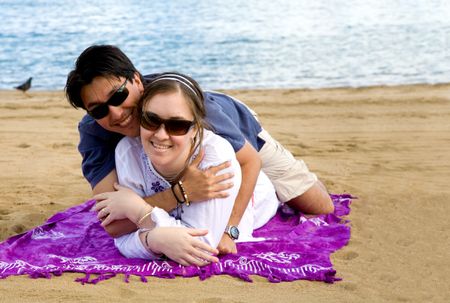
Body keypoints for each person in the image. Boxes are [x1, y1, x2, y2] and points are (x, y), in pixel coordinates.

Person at [65, 45, 333, 261]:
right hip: (169, 155)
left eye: (118, 96)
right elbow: (113, 225)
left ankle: (270, 190)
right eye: (98, 109)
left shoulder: (184, 104)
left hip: (237, 127)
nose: (116, 113)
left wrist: (231, 229)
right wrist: (180, 194)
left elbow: (250, 160)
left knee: (318, 205)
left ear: (136, 80)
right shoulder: (94, 132)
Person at [93, 73, 280, 263]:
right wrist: (154, 239)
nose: (161, 135)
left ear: (195, 129)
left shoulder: (215, 157)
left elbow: (201, 246)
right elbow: (120, 236)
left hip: (259, 195)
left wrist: (141, 214)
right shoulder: (127, 152)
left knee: (310, 203)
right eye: (151, 120)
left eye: (177, 125)